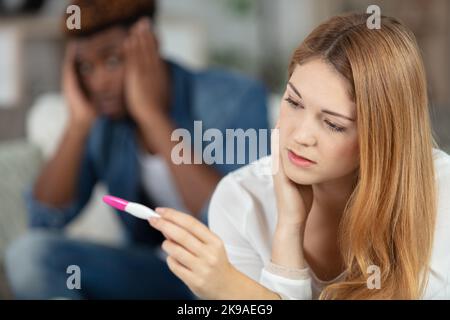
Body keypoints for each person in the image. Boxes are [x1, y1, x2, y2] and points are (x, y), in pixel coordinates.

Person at [146, 13, 450, 299]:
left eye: (333, 124)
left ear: (383, 136)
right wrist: (289, 227)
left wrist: (237, 291)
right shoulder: (241, 199)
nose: (300, 136)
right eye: (293, 102)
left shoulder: (439, 192)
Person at [5, 0, 269, 299]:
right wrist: (78, 125)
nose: (99, 81)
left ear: (149, 44)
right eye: (86, 67)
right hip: (154, 275)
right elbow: (44, 219)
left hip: (227, 278)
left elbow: (239, 227)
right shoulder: (104, 123)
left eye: (113, 60)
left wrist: (151, 115)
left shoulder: (234, 98)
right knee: (30, 255)